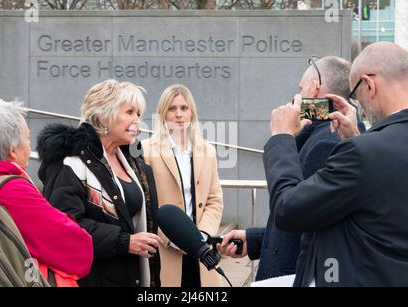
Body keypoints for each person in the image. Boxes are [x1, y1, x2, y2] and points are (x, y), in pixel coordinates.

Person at [264, 42, 408, 286]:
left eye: (355, 95)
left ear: (370, 84)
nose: (357, 105)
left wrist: (281, 137)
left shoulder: (363, 153)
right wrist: (360, 141)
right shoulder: (370, 149)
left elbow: (288, 209)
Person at [219, 56, 364, 285]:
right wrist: (256, 239)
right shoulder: (328, 133)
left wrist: (281, 136)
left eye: (300, 89)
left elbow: (301, 215)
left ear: (314, 90)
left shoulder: (327, 141)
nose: (295, 96)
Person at [37, 79, 162, 287]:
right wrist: (124, 242)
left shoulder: (136, 164)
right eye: (129, 112)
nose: (137, 120)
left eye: (139, 114)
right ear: (103, 117)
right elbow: (65, 226)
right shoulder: (71, 163)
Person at [0, 100, 93, 286]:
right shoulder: (13, 190)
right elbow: (78, 251)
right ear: (12, 150)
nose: (30, 148)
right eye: (28, 139)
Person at [142, 84, 223, 287]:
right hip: (166, 250)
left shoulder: (207, 150)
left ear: (192, 112)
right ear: (162, 113)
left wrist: (200, 236)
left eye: (184, 108)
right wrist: (173, 239)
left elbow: (214, 200)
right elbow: (147, 206)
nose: (179, 115)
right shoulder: (147, 150)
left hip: (202, 250)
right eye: (172, 108)